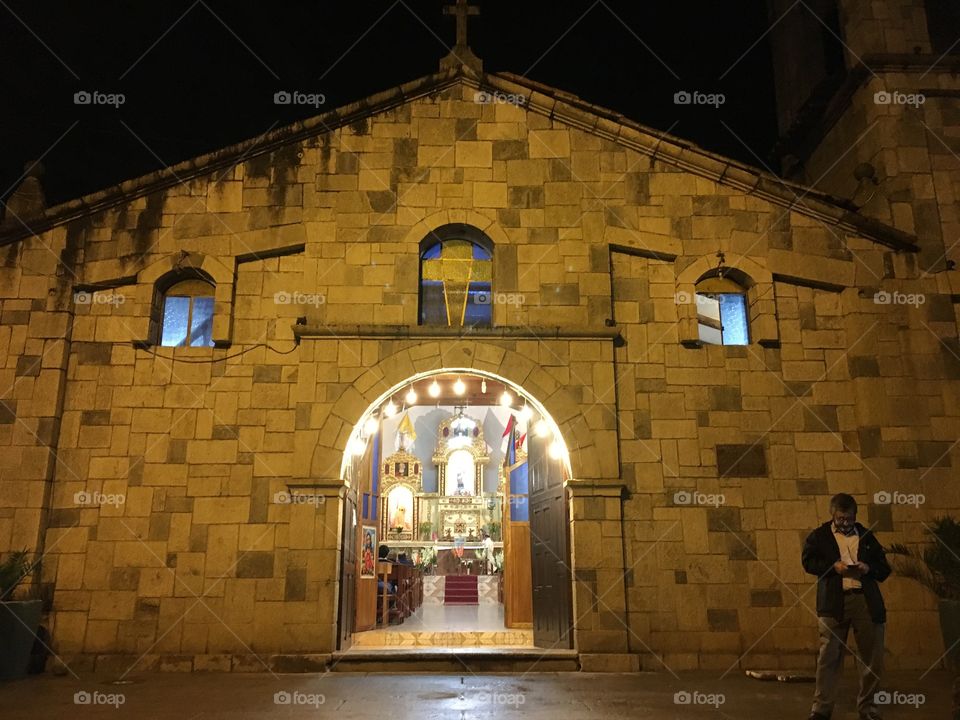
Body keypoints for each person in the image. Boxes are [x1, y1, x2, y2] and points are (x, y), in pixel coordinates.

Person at [802, 493, 891, 720]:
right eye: (841, 519)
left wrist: (867, 568)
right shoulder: (820, 536)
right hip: (834, 602)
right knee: (828, 657)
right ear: (833, 515)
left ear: (855, 516)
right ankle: (821, 710)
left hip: (864, 600)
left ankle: (868, 710)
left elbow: (884, 567)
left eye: (849, 519)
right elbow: (808, 562)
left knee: (872, 658)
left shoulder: (867, 536)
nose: (845, 523)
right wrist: (834, 567)